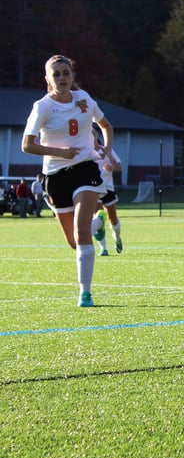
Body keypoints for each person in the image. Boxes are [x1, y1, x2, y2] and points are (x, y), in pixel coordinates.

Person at [21, 54, 113, 307]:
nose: (62, 78)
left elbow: (105, 125)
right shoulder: (43, 107)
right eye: (56, 74)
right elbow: (27, 145)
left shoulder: (84, 99)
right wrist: (59, 152)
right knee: (74, 242)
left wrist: (105, 149)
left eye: (66, 73)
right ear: (48, 79)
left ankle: (85, 293)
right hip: (56, 176)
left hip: (85, 169)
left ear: (73, 75)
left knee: (80, 231)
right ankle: (99, 224)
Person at [89, 123, 123, 256]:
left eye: (92, 134)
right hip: (94, 188)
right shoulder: (85, 152)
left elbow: (119, 166)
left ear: (96, 136)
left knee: (112, 219)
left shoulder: (106, 149)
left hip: (108, 188)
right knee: (97, 218)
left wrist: (112, 168)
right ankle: (103, 248)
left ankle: (117, 237)